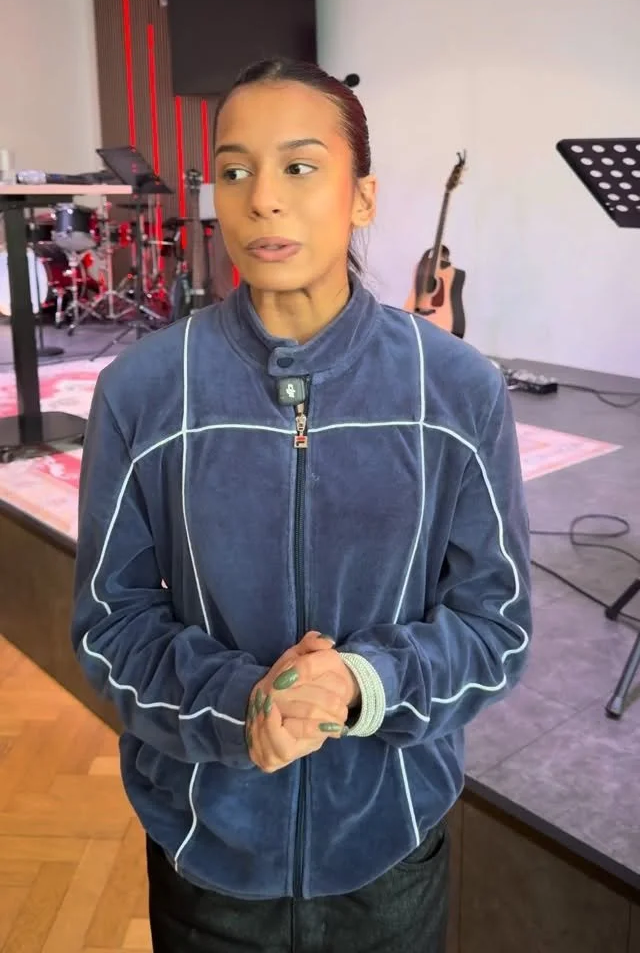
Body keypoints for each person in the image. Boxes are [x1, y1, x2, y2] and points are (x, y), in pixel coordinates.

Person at [71, 58, 532, 953]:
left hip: (390, 845)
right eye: (235, 170)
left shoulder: (457, 389)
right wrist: (245, 704)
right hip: (208, 846)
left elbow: (495, 625)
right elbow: (110, 626)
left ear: (363, 197)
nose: (262, 200)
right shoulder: (143, 390)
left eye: (299, 166)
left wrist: (363, 684)